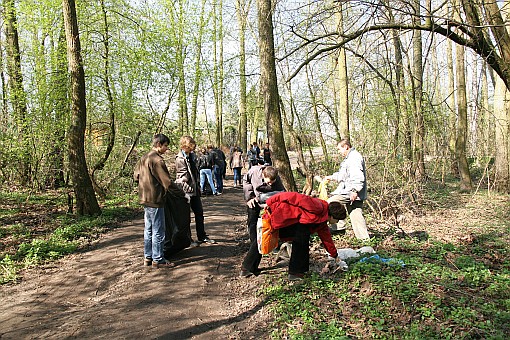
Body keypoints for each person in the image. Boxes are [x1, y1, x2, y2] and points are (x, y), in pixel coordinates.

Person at [265, 191, 347, 281]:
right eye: (337, 220)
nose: (337, 222)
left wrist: (335, 255)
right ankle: (295, 272)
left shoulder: (322, 222)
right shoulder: (318, 206)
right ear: (332, 216)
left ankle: (299, 272)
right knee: (263, 241)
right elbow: (293, 196)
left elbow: (327, 239)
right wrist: (270, 201)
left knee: (303, 243)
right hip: (284, 217)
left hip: (298, 226)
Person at [133, 133, 185, 268]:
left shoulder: (144, 157)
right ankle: (158, 259)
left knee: (148, 229)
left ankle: (148, 257)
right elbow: (167, 182)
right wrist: (181, 194)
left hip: (144, 198)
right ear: (158, 145)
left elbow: (136, 176)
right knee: (158, 230)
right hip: (155, 200)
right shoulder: (157, 160)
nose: (166, 149)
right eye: (165, 146)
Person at [241, 165, 285, 277]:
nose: (271, 184)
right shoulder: (254, 172)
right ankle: (251, 263)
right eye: (268, 182)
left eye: (273, 182)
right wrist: (249, 197)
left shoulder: (276, 179)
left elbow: (282, 193)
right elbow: (246, 181)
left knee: (262, 236)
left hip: (267, 205)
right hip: (253, 202)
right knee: (254, 232)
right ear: (263, 176)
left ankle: (251, 264)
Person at [325, 139, 370, 240]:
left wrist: (355, 190)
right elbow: (344, 175)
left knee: (330, 203)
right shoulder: (349, 158)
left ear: (346, 147)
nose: (339, 152)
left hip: (350, 192)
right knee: (356, 214)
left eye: (339, 149)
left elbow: (357, 175)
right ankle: (364, 239)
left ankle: (338, 228)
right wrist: (331, 177)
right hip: (350, 191)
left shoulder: (354, 158)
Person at [175, 136, 216, 245]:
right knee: (186, 218)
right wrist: (185, 186)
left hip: (195, 189)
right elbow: (183, 176)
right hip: (186, 191)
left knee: (199, 213)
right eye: (190, 146)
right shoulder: (180, 159)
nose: (193, 148)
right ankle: (188, 240)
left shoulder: (192, 156)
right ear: (185, 146)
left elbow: (195, 171)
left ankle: (202, 236)